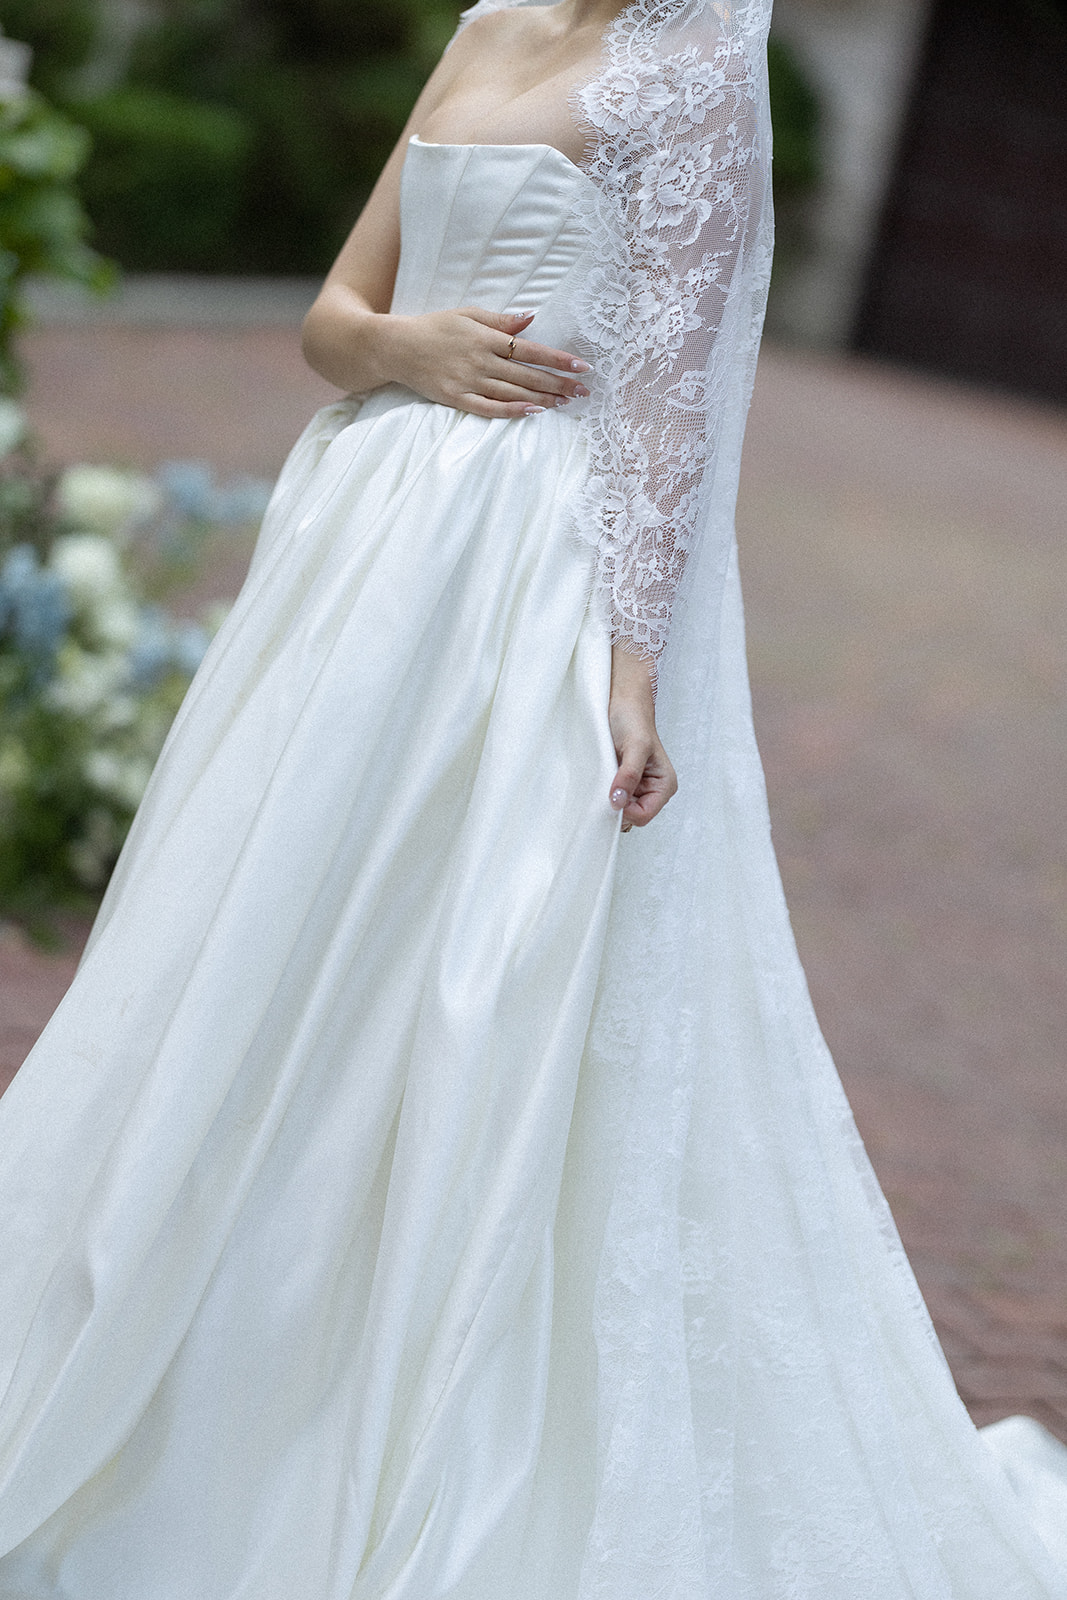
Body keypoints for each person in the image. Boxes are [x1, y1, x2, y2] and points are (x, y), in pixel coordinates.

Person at [0, 1, 1064, 1596]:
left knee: (449, 974)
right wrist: (406, 350)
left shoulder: (696, 68)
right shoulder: (488, 22)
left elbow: (670, 394)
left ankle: (384, 1394)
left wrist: (633, 664)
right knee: (258, 939)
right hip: (359, 555)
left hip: (522, 579)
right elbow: (332, 314)